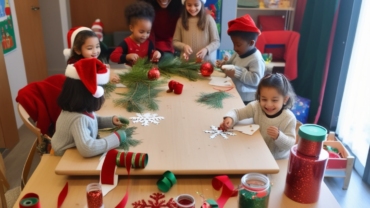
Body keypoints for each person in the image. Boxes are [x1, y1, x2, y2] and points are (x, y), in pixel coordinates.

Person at [51, 58, 136, 157]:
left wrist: (111, 121)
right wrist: (116, 138)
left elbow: (92, 121)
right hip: (63, 160)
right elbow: (87, 148)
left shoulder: (78, 109)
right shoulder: (78, 119)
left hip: (72, 154)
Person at [220, 73, 297, 159]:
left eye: (274, 100)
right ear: (259, 97)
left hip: (276, 159)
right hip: (256, 151)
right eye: (264, 99)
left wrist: (279, 136)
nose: (268, 104)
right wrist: (231, 118)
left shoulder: (289, 118)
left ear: (285, 99)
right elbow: (237, 113)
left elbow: (290, 144)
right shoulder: (256, 107)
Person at [215, 14, 265, 105]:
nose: (234, 48)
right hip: (235, 92)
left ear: (251, 43)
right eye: (233, 44)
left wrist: (237, 72)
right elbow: (231, 63)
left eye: (238, 45)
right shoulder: (238, 53)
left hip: (247, 99)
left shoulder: (256, 59)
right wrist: (223, 63)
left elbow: (256, 80)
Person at [110, 1, 161, 65]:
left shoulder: (149, 43)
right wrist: (127, 57)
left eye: (148, 32)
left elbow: (151, 54)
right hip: (130, 72)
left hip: (144, 71)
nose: (145, 35)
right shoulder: (126, 43)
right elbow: (113, 56)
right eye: (141, 32)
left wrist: (156, 54)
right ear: (131, 28)